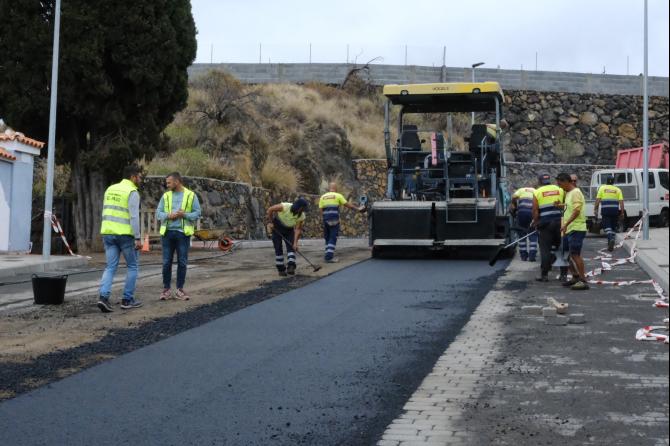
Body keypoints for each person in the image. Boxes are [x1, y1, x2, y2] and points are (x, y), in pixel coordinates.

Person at [97, 165, 144, 312]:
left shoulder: (110, 189)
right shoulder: (132, 192)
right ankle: (127, 300)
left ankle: (103, 298)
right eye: (139, 177)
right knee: (132, 266)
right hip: (125, 235)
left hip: (108, 233)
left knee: (110, 267)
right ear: (133, 177)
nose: (140, 179)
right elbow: (134, 217)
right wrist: (138, 237)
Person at [156, 172, 202, 300]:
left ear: (177, 182)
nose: (167, 185)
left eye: (169, 182)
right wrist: (168, 215)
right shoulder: (166, 196)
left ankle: (180, 289)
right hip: (167, 234)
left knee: (182, 262)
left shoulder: (191, 195)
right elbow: (158, 213)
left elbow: (198, 213)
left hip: (183, 234)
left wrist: (185, 215)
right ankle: (166, 290)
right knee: (166, 262)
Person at [556, 172, 589, 290]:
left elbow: (577, 210)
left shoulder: (575, 193)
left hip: (576, 228)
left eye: (560, 184)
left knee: (575, 254)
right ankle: (575, 276)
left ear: (566, 181)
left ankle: (583, 280)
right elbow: (569, 207)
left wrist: (566, 224)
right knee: (564, 254)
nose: (560, 187)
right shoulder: (568, 193)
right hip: (569, 228)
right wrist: (560, 206)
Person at [318, 183, 365, 263]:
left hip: (326, 219)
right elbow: (348, 205)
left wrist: (324, 219)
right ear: (336, 188)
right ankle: (329, 257)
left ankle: (327, 253)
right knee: (333, 237)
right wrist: (358, 209)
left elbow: (321, 210)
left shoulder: (323, 197)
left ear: (329, 188)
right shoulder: (338, 195)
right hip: (334, 219)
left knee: (327, 237)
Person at [532, 173, 565, 282]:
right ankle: (563, 275)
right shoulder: (560, 190)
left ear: (540, 181)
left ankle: (544, 275)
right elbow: (564, 205)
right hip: (560, 223)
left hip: (545, 224)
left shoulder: (537, 192)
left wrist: (535, 222)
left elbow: (535, 210)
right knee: (561, 248)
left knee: (545, 249)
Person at [266, 198, 308, 276]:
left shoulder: (301, 216)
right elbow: (270, 209)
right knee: (278, 247)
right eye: (302, 209)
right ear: (297, 206)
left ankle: (291, 266)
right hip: (277, 227)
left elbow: (298, 229)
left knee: (291, 247)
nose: (302, 211)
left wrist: (295, 243)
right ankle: (281, 269)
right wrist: (270, 222)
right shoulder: (285, 207)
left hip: (289, 230)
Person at [594, 176, 625, 252]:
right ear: (613, 182)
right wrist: (622, 212)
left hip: (606, 210)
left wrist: (595, 209)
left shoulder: (602, 188)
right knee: (613, 227)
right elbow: (621, 202)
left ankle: (610, 239)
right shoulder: (618, 189)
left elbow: (597, 200)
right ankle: (610, 242)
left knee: (607, 226)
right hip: (614, 210)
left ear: (606, 181)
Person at [510, 185, 537, 261]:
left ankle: (523, 256)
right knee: (533, 235)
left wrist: (514, 204)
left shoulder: (521, 190)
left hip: (521, 213)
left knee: (522, 234)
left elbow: (514, 197)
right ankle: (532, 256)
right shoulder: (536, 191)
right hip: (532, 213)